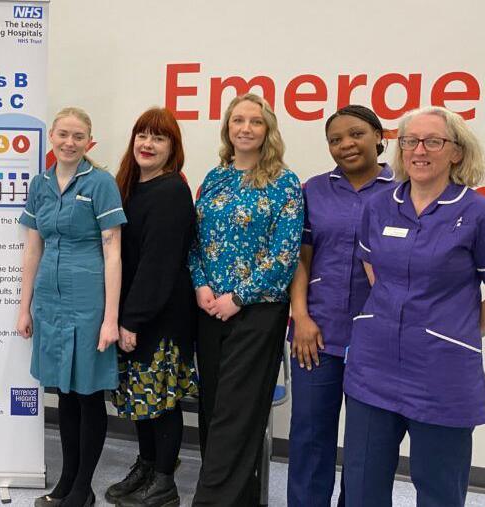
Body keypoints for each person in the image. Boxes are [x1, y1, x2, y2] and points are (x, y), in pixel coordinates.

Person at [343, 106, 485, 506]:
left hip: (442, 375)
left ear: (456, 152)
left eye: (433, 141)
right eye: (409, 141)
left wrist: (450, 331)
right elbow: (375, 273)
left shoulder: (483, 214)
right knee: (363, 488)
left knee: (439, 492)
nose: (420, 150)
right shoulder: (378, 205)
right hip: (374, 368)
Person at [188, 93, 303, 506]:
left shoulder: (283, 181)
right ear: (228, 128)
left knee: (237, 416)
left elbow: (285, 253)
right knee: (214, 410)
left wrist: (238, 297)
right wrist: (202, 285)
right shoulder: (215, 177)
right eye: (238, 120)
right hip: (209, 310)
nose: (246, 128)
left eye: (255, 121)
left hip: (257, 312)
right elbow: (195, 242)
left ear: (267, 130)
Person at [17, 107, 126, 507]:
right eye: (63, 134)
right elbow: (33, 247)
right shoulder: (40, 184)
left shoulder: (100, 184)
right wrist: (24, 307)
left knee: (87, 393)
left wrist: (110, 319)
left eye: (78, 136)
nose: (69, 142)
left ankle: (83, 488)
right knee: (63, 392)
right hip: (49, 298)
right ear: (52, 137)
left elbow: (112, 251)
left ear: (89, 142)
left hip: (88, 300)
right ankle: (65, 481)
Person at [286, 105, 394, 506]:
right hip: (318, 332)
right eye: (335, 139)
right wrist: (301, 316)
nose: (346, 144)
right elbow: (302, 256)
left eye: (356, 134)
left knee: (368, 447)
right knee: (310, 435)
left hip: (379, 339)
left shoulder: (402, 190)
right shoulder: (313, 189)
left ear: (379, 137)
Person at [106, 107, 197, 507]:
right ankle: (146, 465)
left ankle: (164, 482)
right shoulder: (128, 186)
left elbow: (158, 265)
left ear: (172, 148)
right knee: (140, 396)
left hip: (160, 315)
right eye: (142, 134)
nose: (147, 143)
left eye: (158, 138)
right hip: (134, 310)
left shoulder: (171, 191)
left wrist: (132, 320)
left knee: (161, 399)